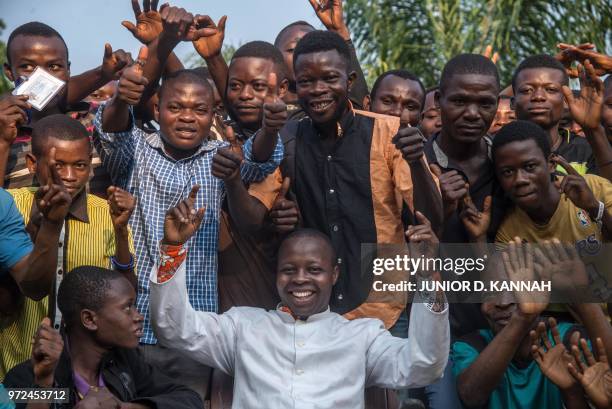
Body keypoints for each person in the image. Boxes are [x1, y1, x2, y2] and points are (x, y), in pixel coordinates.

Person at [93, 14, 283, 395]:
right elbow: (112, 130)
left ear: (212, 114)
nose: (187, 118)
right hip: (134, 324)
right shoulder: (135, 152)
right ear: (157, 109)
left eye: (199, 110)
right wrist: (120, 97)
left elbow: (261, 158)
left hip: (194, 326)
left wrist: (270, 129)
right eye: (176, 107)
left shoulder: (220, 157)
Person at [148, 190, 449, 409]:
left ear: (334, 274)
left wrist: (427, 278)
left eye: (315, 270)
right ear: (276, 274)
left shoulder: (363, 335)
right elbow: (174, 328)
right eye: (289, 270)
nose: (300, 279)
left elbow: (424, 365)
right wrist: (172, 249)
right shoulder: (243, 326)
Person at [224, 30, 442, 329]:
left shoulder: (388, 132)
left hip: (386, 311)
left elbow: (429, 216)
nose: (318, 89)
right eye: (307, 82)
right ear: (294, 86)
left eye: (329, 78)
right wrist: (233, 178)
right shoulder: (287, 137)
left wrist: (417, 161)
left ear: (349, 81)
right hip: (315, 316)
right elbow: (251, 217)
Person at [1, 114, 136, 381]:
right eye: (58, 166)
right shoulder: (10, 205)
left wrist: (121, 231)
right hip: (16, 361)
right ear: (31, 164)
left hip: (83, 371)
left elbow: (125, 293)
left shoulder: (108, 213)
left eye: (80, 165)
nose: (70, 176)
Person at [3, 265, 203, 409]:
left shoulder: (125, 362)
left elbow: (189, 399)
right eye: (127, 307)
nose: (138, 316)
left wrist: (125, 407)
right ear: (89, 319)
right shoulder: (23, 379)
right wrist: (44, 382)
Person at [453, 238, 607, 409]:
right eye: (490, 292)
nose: (502, 302)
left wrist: (581, 296)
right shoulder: (472, 346)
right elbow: (470, 395)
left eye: (514, 289)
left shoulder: (564, 340)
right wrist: (522, 317)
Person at [0, 21, 131, 196]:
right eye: (28, 67)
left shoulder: (93, 118)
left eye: (54, 67)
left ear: (68, 70)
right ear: (9, 71)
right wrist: (2, 143)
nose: (43, 78)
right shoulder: (3, 126)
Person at [512, 54, 612, 181]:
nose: (538, 96)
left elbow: (609, 192)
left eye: (551, 89)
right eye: (527, 90)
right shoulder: (497, 148)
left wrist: (593, 129)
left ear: (566, 99)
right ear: (513, 102)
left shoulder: (590, 150)